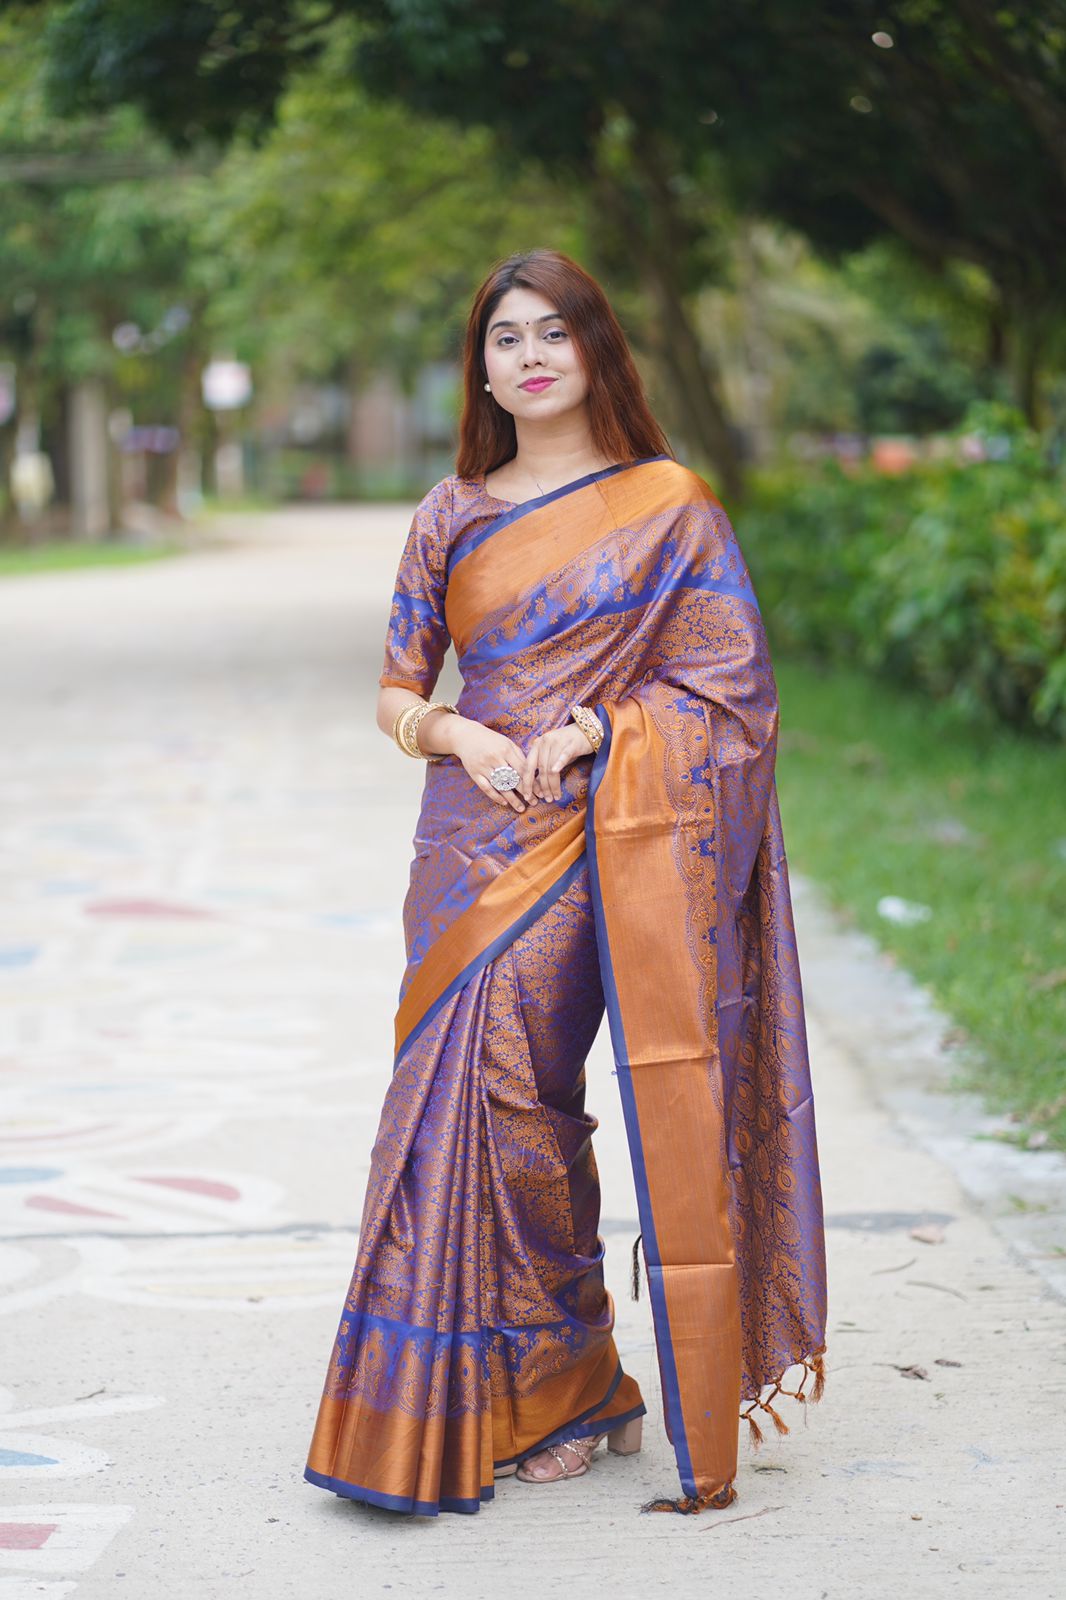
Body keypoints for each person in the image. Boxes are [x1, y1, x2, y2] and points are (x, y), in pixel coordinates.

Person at [303, 248, 828, 1518]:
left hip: (605, 836)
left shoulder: (670, 506)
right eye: (505, 337)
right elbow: (395, 687)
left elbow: (730, 690)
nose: (529, 355)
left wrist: (603, 728)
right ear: (480, 369)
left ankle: (566, 1381)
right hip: (465, 841)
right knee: (453, 1110)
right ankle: (522, 1390)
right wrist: (457, 733)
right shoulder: (452, 511)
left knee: (526, 1101)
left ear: (595, 348)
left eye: (552, 331)